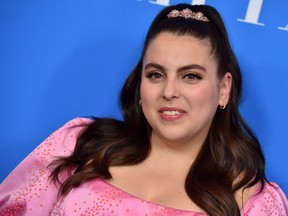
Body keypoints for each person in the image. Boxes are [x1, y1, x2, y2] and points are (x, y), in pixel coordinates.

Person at [0, 3, 287, 216]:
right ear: (140, 84)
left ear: (224, 89)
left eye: (191, 76)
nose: (169, 91)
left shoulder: (253, 202)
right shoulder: (79, 144)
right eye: (155, 74)